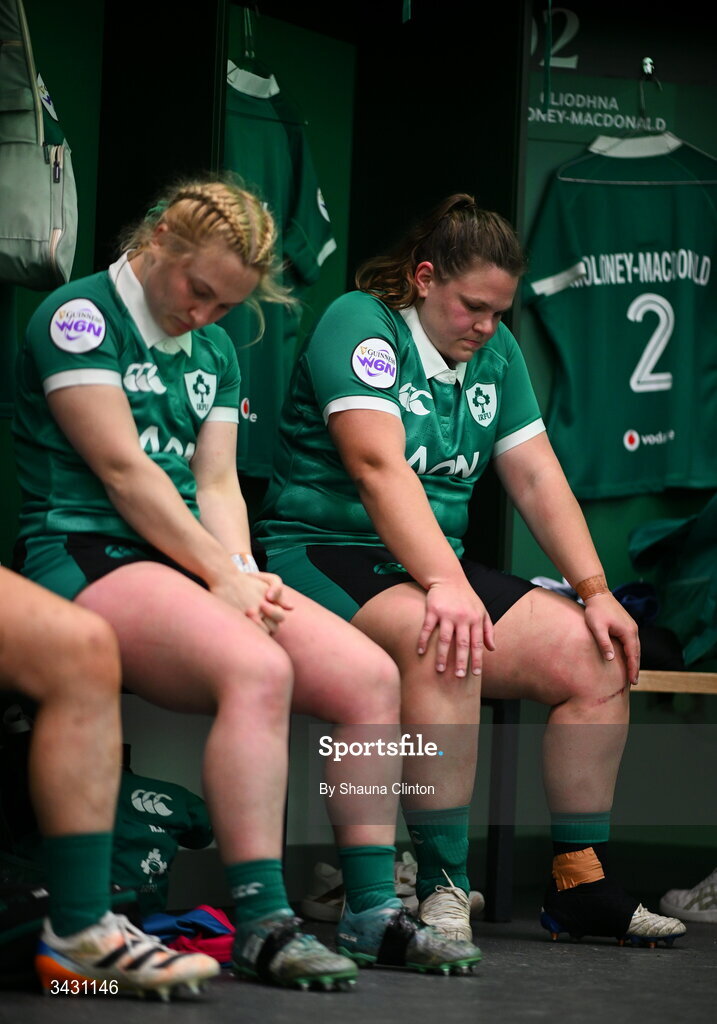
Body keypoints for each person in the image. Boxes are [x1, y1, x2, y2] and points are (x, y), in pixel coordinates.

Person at [11, 177, 482, 990]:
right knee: (258, 667)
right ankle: (264, 921)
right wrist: (219, 578)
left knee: (369, 675)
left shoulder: (218, 350)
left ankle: (371, 909)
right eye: (197, 292)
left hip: (188, 562)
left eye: (224, 306)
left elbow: (220, 485)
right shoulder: (79, 315)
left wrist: (241, 576)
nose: (203, 316)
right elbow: (125, 475)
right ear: (157, 241)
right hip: (83, 554)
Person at [255, 193, 687, 948]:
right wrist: (447, 588)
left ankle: (581, 882)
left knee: (599, 655)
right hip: (324, 552)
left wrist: (594, 592)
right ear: (423, 279)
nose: (486, 326)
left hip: (428, 563)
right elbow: (375, 467)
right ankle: (442, 885)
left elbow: (536, 477)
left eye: (498, 312)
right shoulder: (362, 322)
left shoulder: (494, 352)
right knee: (448, 636)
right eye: (471, 308)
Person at [0, 567, 220, 998]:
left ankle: (82, 929)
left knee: (86, 642)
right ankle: (81, 927)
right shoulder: (175, 798)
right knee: (84, 641)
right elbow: (206, 832)